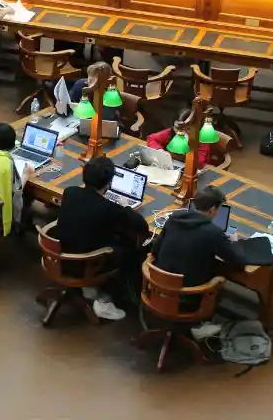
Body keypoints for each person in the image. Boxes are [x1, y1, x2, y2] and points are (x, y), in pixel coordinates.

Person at [55, 156, 148, 319]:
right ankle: (111, 296)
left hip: (60, 254)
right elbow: (141, 224)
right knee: (135, 251)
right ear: (109, 183)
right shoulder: (107, 208)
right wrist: (125, 208)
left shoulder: (70, 192)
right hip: (85, 263)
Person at [152, 186, 246, 318]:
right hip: (187, 296)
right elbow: (239, 262)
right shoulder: (213, 233)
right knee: (219, 280)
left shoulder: (175, 218)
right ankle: (200, 325)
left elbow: (154, 250)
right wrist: (234, 242)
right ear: (213, 209)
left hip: (158, 288)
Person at [147, 107, 213, 166]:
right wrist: (160, 151)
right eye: (177, 128)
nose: (181, 132)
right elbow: (152, 138)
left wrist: (186, 145)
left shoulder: (202, 139)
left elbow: (199, 162)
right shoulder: (171, 132)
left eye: (188, 129)